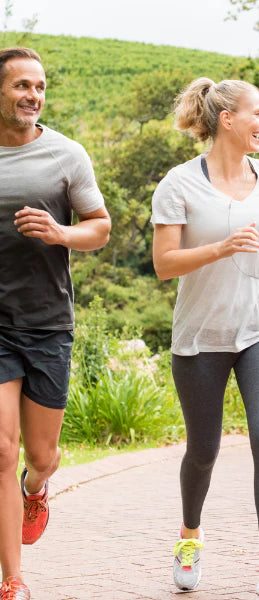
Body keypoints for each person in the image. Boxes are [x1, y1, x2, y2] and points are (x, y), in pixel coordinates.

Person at [151, 77, 259, 600]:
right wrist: (218, 249)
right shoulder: (178, 184)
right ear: (227, 120)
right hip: (200, 336)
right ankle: (190, 535)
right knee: (203, 449)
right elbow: (163, 264)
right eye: (257, 113)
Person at [0, 47, 111, 600]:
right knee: (0, 447)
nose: (33, 95)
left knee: (40, 455)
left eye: (39, 86)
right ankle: (13, 581)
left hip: (46, 323)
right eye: (22, 85)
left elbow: (100, 226)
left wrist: (60, 233)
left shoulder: (66, 155)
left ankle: (36, 487)